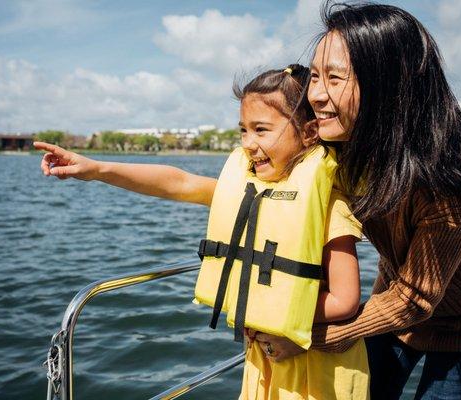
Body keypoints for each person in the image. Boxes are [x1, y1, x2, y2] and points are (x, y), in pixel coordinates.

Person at [35, 65, 369, 399]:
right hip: (267, 358)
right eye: (243, 131)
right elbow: (179, 183)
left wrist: (277, 313)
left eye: (262, 130)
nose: (249, 145)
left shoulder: (329, 205)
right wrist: (96, 169)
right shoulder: (248, 190)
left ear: (310, 132)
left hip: (318, 368)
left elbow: (345, 298)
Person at [250, 3, 461, 400]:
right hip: (399, 292)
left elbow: (416, 299)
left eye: (334, 78)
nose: (316, 95)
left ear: (389, 85)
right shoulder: (341, 150)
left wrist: (312, 335)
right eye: (314, 76)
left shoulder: (454, 180)